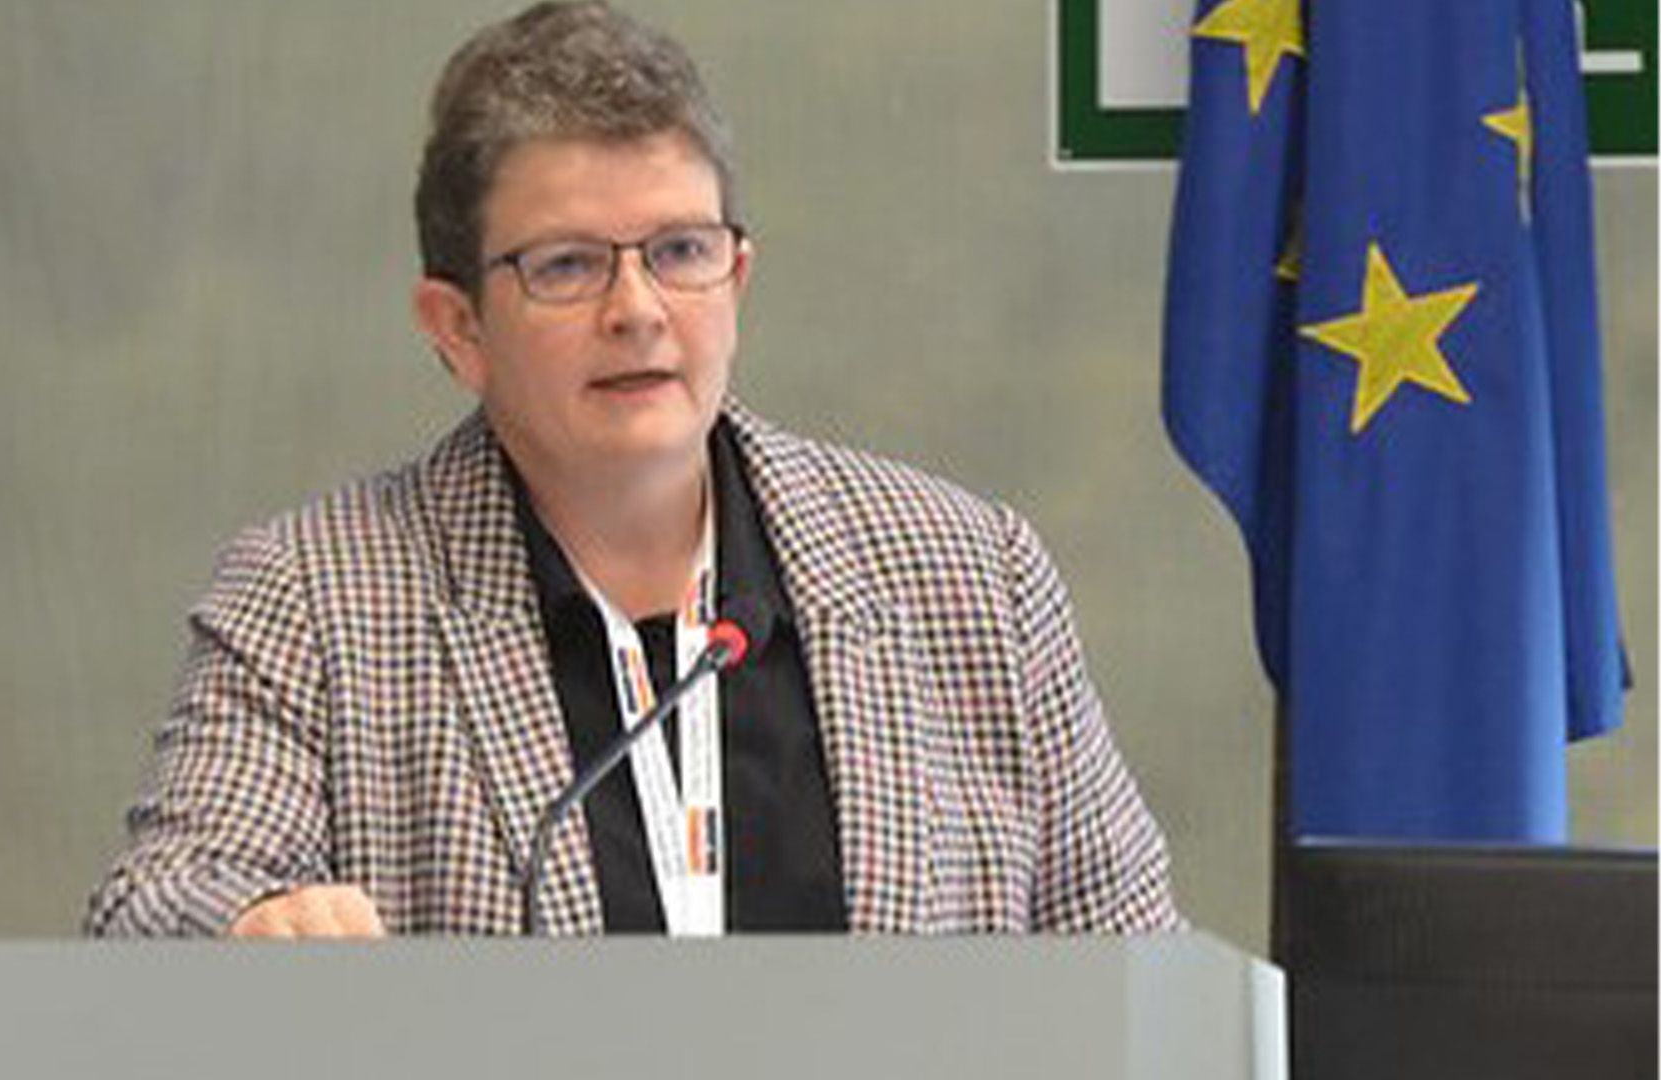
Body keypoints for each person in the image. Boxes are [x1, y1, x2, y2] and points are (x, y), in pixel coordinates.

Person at [85, 0, 1179, 939]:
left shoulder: (968, 578)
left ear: (737, 278)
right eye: (567, 266)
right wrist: (247, 923)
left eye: (680, 253)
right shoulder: (315, 600)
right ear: (456, 326)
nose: (639, 310)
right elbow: (158, 899)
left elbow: (1142, 971)